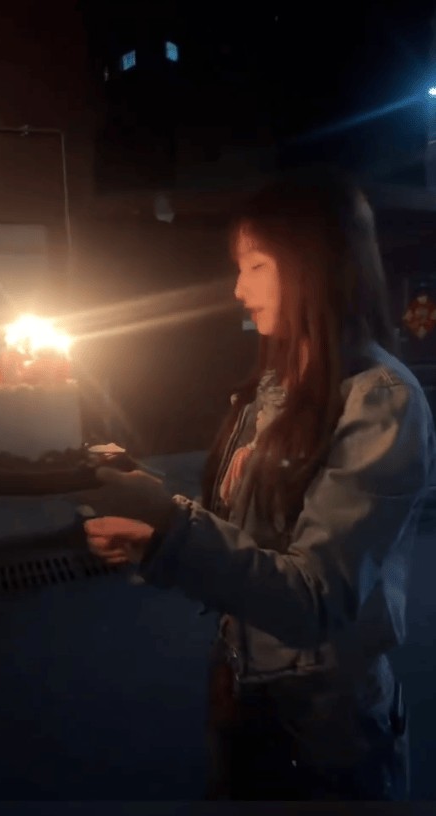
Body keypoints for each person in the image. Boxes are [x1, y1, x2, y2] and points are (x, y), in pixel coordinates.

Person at [76, 165, 436, 801]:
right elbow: (245, 536)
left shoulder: (381, 401)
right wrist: (150, 526)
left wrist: (171, 527)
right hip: (240, 687)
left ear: (317, 265)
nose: (238, 289)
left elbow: (315, 599)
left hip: (325, 722)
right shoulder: (274, 388)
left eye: (256, 266)